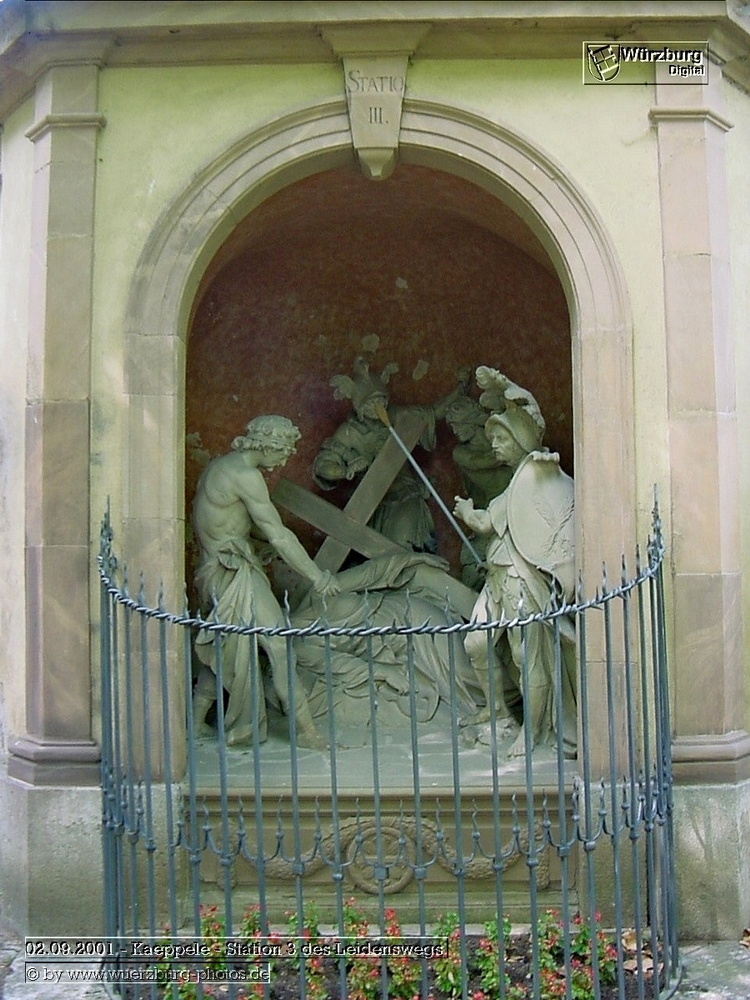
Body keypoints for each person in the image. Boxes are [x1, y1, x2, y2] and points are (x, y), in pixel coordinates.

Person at [191, 415, 340, 749]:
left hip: (213, 568)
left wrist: (254, 544)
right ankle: (306, 731)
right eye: (283, 452)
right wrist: (317, 577)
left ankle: (196, 720)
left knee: (225, 642)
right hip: (232, 572)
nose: (284, 461)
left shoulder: (220, 467)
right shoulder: (247, 476)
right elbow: (279, 535)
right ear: (268, 444)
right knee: (278, 642)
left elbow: (227, 523)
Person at [453, 373, 576, 757]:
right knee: (476, 642)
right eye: (493, 439)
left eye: (501, 439)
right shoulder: (518, 481)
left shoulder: (531, 478)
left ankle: (532, 732)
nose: (494, 445)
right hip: (497, 578)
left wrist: (466, 512)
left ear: (520, 441)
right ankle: (498, 711)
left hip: (522, 582)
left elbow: (483, 523)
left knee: (527, 657)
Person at [313, 356, 469, 553]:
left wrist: (461, 388)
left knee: (402, 543)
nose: (378, 407)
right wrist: (345, 470)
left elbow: (433, 411)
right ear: (359, 406)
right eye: (370, 403)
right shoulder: (349, 432)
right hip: (368, 506)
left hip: (405, 496)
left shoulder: (399, 416)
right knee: (371, 554)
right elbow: (323, 465)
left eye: (381, 400)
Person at [444, 394, 514, 588]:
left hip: (515, 509)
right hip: (488, 515)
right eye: (452, 426)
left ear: (471, 421)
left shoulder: (501, 443)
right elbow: (481, 462)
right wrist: (512, 445)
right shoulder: (461, 453)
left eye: (458, 424)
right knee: (472, 573)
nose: (455, 431)